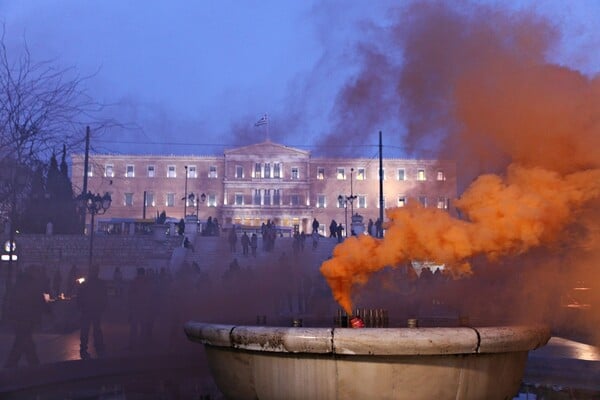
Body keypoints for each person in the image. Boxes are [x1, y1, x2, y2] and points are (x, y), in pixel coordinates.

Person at [3, 268, 50, 368]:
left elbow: (11, 301)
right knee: (24, 340)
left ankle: (19, 364)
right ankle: (30, 364)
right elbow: (40, 302)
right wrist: (47, 311)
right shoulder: (35, 287)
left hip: (18, 318)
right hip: (28, 318)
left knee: (22, 340)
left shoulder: (17, 286)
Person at [77, 265, 107, 359]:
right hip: (96, 310)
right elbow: (104, 297)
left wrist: (81, 307)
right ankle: (99, 348)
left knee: (85, 330)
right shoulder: (101, 283)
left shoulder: (85, 284)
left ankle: (83, 349)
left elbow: (79, 297)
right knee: (97, 329)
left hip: (86, 310)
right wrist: (102, 307)